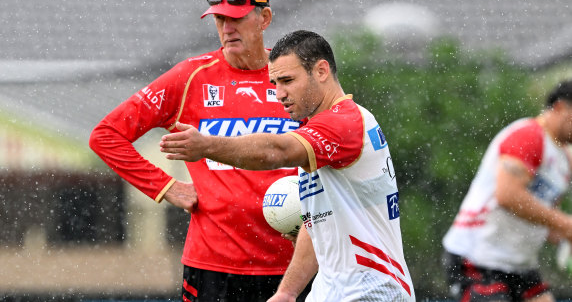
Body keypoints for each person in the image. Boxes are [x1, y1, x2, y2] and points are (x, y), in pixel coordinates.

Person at [89, 0, 307, 302]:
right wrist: (166, 187)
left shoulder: (294, 74)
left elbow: (335, 140)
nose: (227, 28)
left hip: (295, 265)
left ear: (264, 18)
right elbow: (106, 136)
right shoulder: (191, 76)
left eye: (236, 17)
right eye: (219, 19)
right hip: (214, 267)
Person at [160, 30, 416, 301]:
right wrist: (287, 292)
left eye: (287, 81)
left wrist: (207, 146)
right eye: (274, 83)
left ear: (321, 70)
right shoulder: (320, 131)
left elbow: (278, 150)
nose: (279, 94)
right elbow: (317, 223)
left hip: (372, 290)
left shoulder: (344, 123)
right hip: (333, 289)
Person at [441, 79, 572, 302]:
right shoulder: (529, 135)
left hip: (518, 265)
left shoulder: (565, 158)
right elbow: (507, 195)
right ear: (560, 107)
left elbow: (547, 221)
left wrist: (563, 236)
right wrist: (566, 224)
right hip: (477, 258)